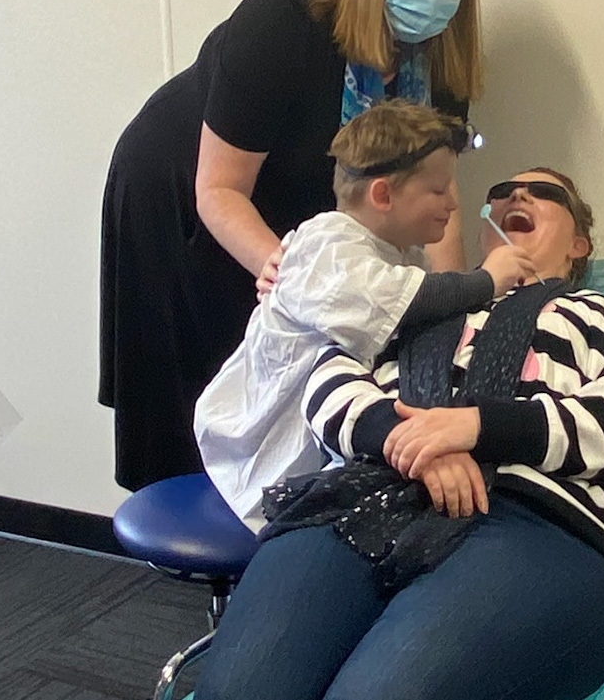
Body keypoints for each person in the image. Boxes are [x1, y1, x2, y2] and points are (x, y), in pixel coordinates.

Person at [193, 169, 604, 700]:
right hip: (373, 493)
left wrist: (475, 427)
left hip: (538, 520)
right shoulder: (419, 296)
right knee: (239, 689)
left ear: (579, 244)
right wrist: (415, 443)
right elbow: (326, 378)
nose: (518, 195)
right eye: (503, 190)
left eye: (545, 192)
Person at [100, 0, 484, 489]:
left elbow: (438, 198)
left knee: (304, 371)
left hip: (300, 202)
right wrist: (295, 276)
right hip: (186, 190)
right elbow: (220, 190)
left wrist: (456, 305)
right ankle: (197, 554)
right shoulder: (283, 20)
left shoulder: (439, 63)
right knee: (216, 382)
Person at [193, 102, 533, 531]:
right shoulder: (329, 243)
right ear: (383, 195)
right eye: (438, 189)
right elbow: (404, 302)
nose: (451, 203)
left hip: (336, 427)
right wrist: (487, 279)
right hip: (262, 445)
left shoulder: (402, 256)